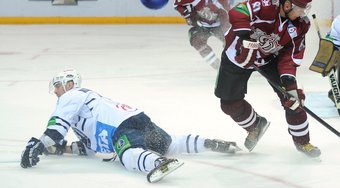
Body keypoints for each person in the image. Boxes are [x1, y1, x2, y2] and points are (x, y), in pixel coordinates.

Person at [20, 69, 240, 183]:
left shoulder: (72, 96)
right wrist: (62, 149)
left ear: (69, 84)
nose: (56, 91)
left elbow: (56, 128)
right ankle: (210, 144)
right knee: (170, 143)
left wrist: (38, 146)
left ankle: (158, 162)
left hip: (120, 127)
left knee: (127, 154)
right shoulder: (84, 109)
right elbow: (88, 147)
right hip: (138, 118)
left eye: (58, 86)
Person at [214, 0, 321, 158]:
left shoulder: (301, 25)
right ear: (287, 4)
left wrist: (289, 82)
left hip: (269, 59)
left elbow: (289, 57)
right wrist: (246, 38)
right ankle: (255, 125)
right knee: (228, 103)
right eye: (300, 8)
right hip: (238, 55)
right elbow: (237, 12)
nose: (303, 12)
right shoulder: (266, 3)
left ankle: (303, 142)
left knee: (293, 98)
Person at [173, 0, 231, 69]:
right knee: (197, 41)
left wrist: (228, 30)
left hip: (218, 26)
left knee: (231, 43)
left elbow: (229, 12)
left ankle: (236, 64)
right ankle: (217, 66)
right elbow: (177, 5)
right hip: (202, 26)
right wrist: (188, 15)